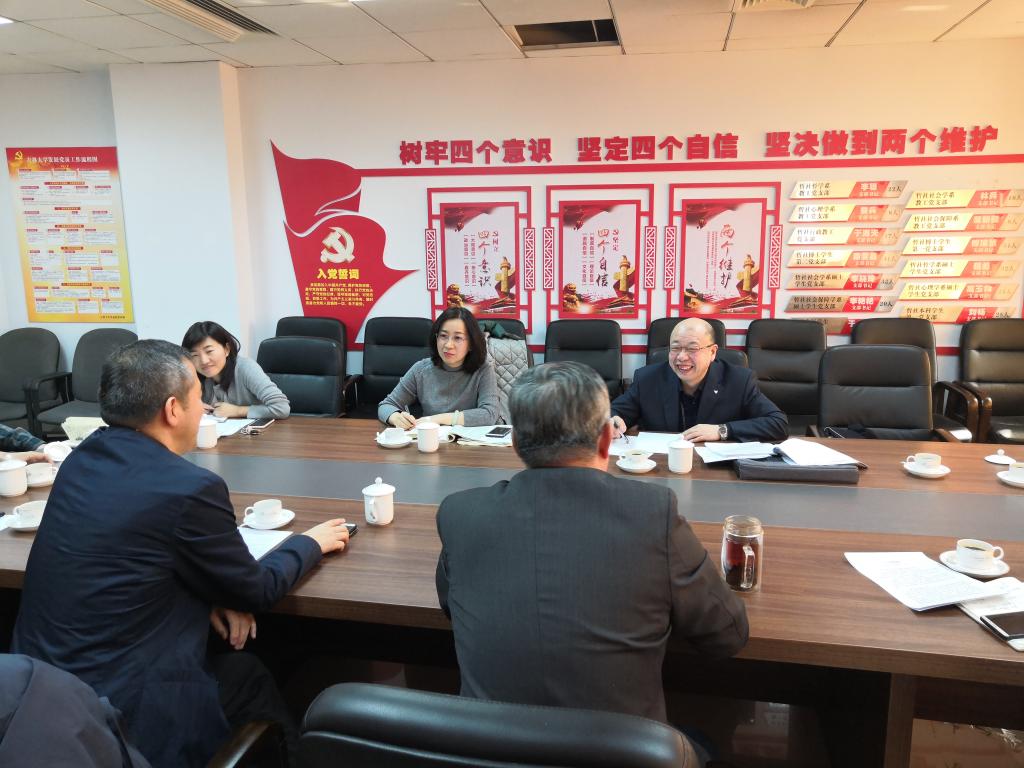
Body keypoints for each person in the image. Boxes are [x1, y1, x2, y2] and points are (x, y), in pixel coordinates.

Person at [12, 339, 350, 768]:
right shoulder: (189, 488)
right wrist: (310, 542)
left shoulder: (80, 462)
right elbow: (256, 589)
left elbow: (133, 555)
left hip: (35, 699)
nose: (203, 405)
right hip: (120, 714)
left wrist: (209, 595)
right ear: (173, 410)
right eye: (197, 396)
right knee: (247, 674)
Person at [435, 361, 748, 724]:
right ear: (605, 439)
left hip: (485, 746)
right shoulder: (651, 513)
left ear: (516, 443)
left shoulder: (460, 514)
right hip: (623, 748)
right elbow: (727, 634)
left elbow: (451, 605)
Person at [611, 317, 787, 442]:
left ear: (712, 352)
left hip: (716, 473)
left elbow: (778, 423)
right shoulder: (647, 379)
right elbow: (612, 413)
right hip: (661, 467)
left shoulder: (739, 381)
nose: (681, 357)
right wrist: (612, 420)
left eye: (692, 349)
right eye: (675, 348)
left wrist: (722, 430)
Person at [378, 307, 502, 428]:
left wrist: (437, 419)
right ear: (436, 337)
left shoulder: (483, 369)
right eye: (443, 336)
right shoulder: (420, 370)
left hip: (469, 440)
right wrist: (395, 417)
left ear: (471, 343)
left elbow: (490, 413)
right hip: (432, 439)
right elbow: (386, 405)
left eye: (457, 338)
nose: (448, 345)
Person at [181, 321, 290, 419]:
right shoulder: (194, 374)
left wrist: (237, 411)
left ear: (226, 349)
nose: (204, 361)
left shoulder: (246, 368)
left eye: (209, 351)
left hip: (261, 432)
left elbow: (282, 407)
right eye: (194, 355)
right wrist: (194, 408)